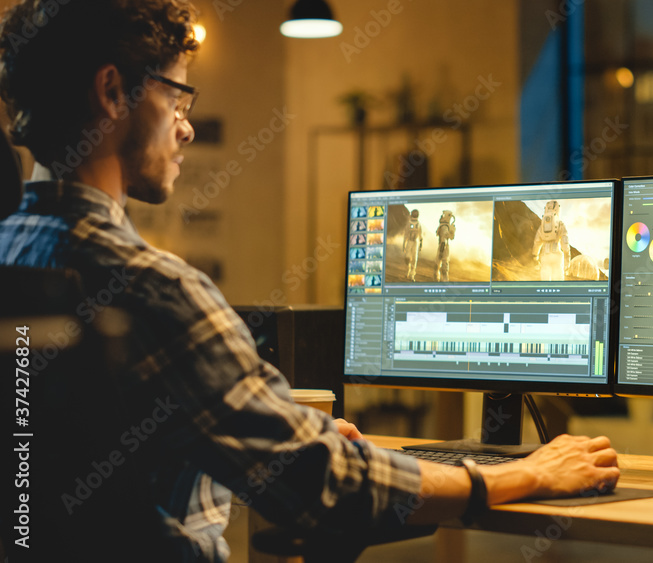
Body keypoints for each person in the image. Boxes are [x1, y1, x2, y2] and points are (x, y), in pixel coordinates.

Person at [0, 2, 618, 561]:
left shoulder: (13, 257)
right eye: (178, 100)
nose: (186, 128)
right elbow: (327, 487)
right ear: (112, 92)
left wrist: (276, 421)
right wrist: (524, 474)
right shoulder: (155, 289)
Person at [532, 200, 570, 281]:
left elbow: (537, 242)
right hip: (557, 255)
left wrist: (535, 255)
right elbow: (564, 240)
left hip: (545, 256)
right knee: (558, 279)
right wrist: (567, 255)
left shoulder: (542, 225)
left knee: (545, 280)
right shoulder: (560, 224)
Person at [435, 209, 455, 281]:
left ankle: (443, 279)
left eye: (443, 215)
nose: (441, 217)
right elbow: (451, 237)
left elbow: (445, 238)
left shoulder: (444, 227)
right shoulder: (446, 226)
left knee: (442, 263)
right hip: (443, 246)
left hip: (443, 246)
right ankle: (441, 278)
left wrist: (441, 249)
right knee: (441, 263)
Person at [402, 208, 422, 281]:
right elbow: (406, 234)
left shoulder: (419, 224)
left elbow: (420, 234)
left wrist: (420, 244)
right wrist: (404, 244)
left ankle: (412, 275)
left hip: (415, 242)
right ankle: (408, 271)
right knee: (408, 258)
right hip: (410, 241)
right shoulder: (409, 223)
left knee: (414, 259)